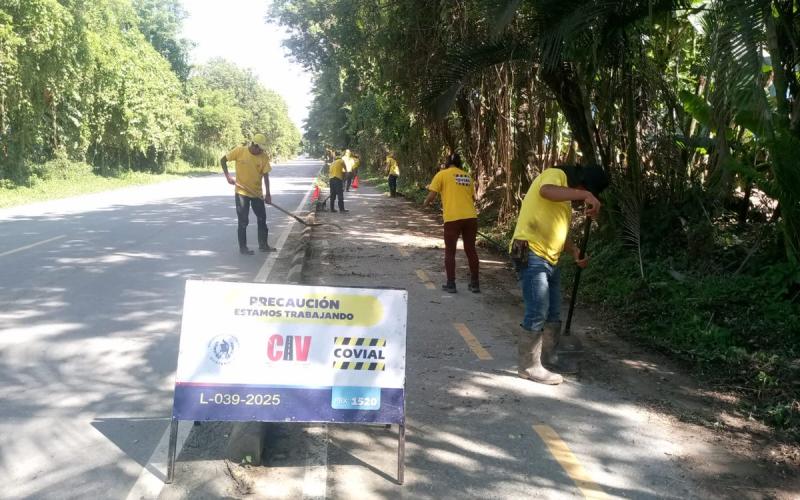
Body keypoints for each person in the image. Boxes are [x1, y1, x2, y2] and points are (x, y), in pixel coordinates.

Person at [510, 164, 608, 385]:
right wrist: (585, 195)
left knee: (553, 312)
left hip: (550, 258)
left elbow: (559, 233)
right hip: (530, 250)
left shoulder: (565, 200)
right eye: (586, 190)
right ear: (583, 183)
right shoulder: (556, 175)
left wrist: (575, 252)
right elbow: (545, 190)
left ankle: (548, 357)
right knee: (538, 310)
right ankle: (528, 366)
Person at [423, 153, 480, 293]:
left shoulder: (442, 174)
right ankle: (475, 284)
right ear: (460, 163)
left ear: (447, 163)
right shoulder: (467, 176)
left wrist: (425, 203)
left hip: (452, 218)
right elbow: (473, 198)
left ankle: (451, 284)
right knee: (471, 250)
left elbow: (431, 195)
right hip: (471, 217)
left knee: (450, 251)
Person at [221, 133, 276, 255]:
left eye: (262, 149)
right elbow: (223, 160)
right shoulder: (239, 151)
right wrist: (228, 177)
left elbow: (266, 176)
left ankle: (263, 245)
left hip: (257, 193)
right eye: (259, 148)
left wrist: (268, 194)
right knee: (243, 221)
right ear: (254, 145)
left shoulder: (263, 157)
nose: (261, 151)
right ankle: (243, 248)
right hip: (241, 193)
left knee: (262, 219)